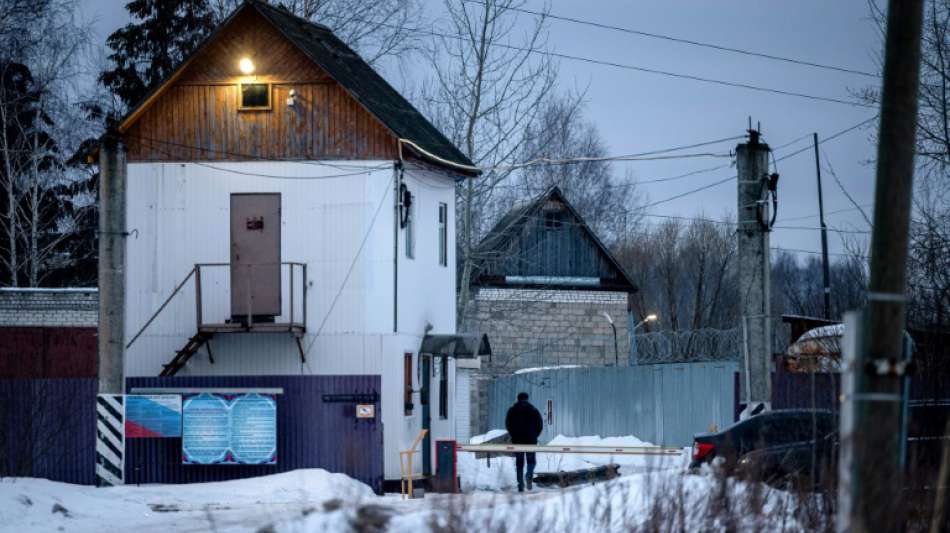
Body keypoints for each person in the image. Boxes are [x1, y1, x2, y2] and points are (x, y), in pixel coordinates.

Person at [505, 391, 543, 492]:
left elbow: (508, 425)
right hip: (530, 441)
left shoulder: (512, 410)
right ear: (527, 399)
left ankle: (520, 484)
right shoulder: (534, 410)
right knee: (531, 461)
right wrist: (535, 435)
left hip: (517, 441)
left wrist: (514, 435)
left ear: (518, 399)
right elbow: (540, 425)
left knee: (519, 463)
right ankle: (529, 475)